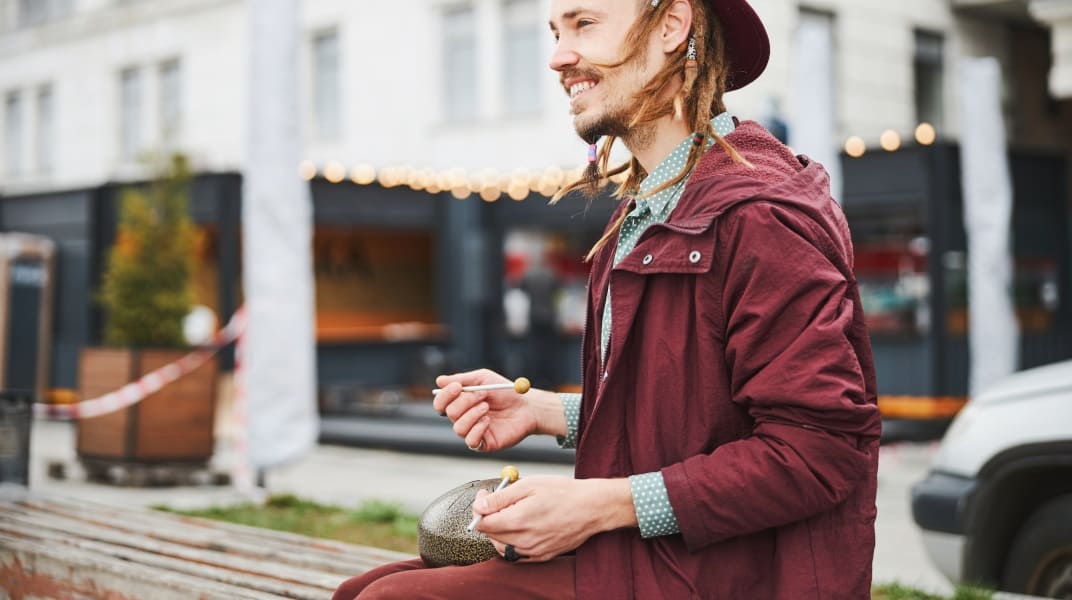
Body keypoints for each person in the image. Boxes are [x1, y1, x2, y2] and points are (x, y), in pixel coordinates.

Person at [333, 0, 880, 598]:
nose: (557, 57)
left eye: (583, 24)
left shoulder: (760, 217)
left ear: (672, 26)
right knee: (368, 586)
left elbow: (818, 451)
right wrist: (543, 411)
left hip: (723, 575)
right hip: (651, 561)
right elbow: (698, 414)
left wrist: (597, 505)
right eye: (555, 31)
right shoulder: (645, 212)